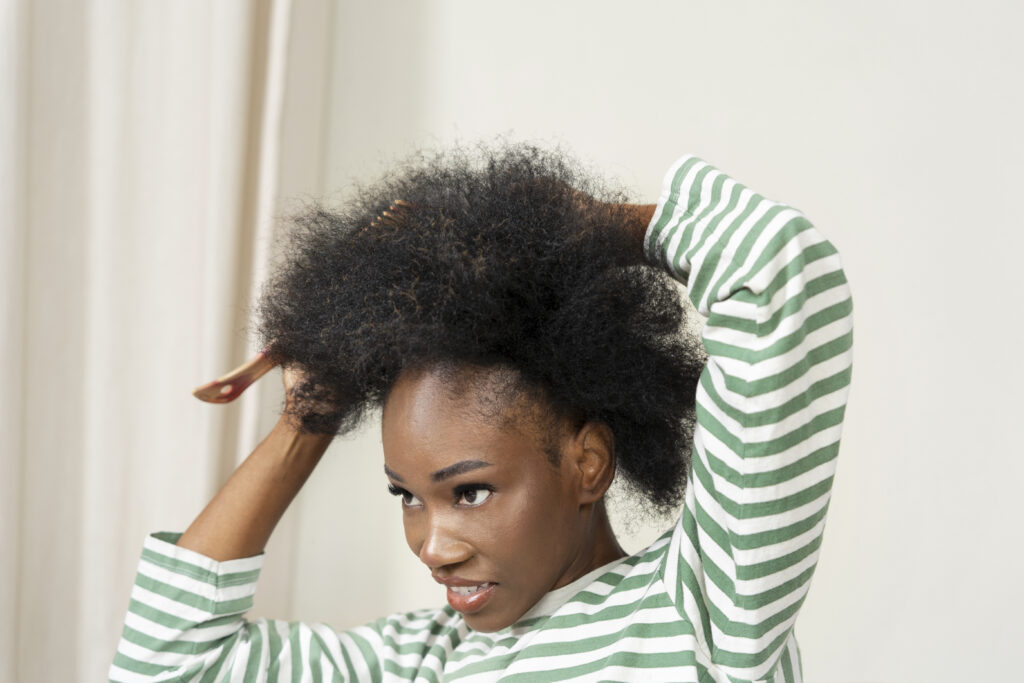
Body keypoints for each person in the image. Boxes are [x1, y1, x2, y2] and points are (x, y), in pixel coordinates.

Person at [109, 144, 853, 682]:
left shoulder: (704, 601)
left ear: (587, 461)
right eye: (408, 495)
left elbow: (781, 271)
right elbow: (166, 662)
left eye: (469, 490)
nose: (434, 546)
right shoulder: (420, 660)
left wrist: (595, 229)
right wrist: (310, 414)